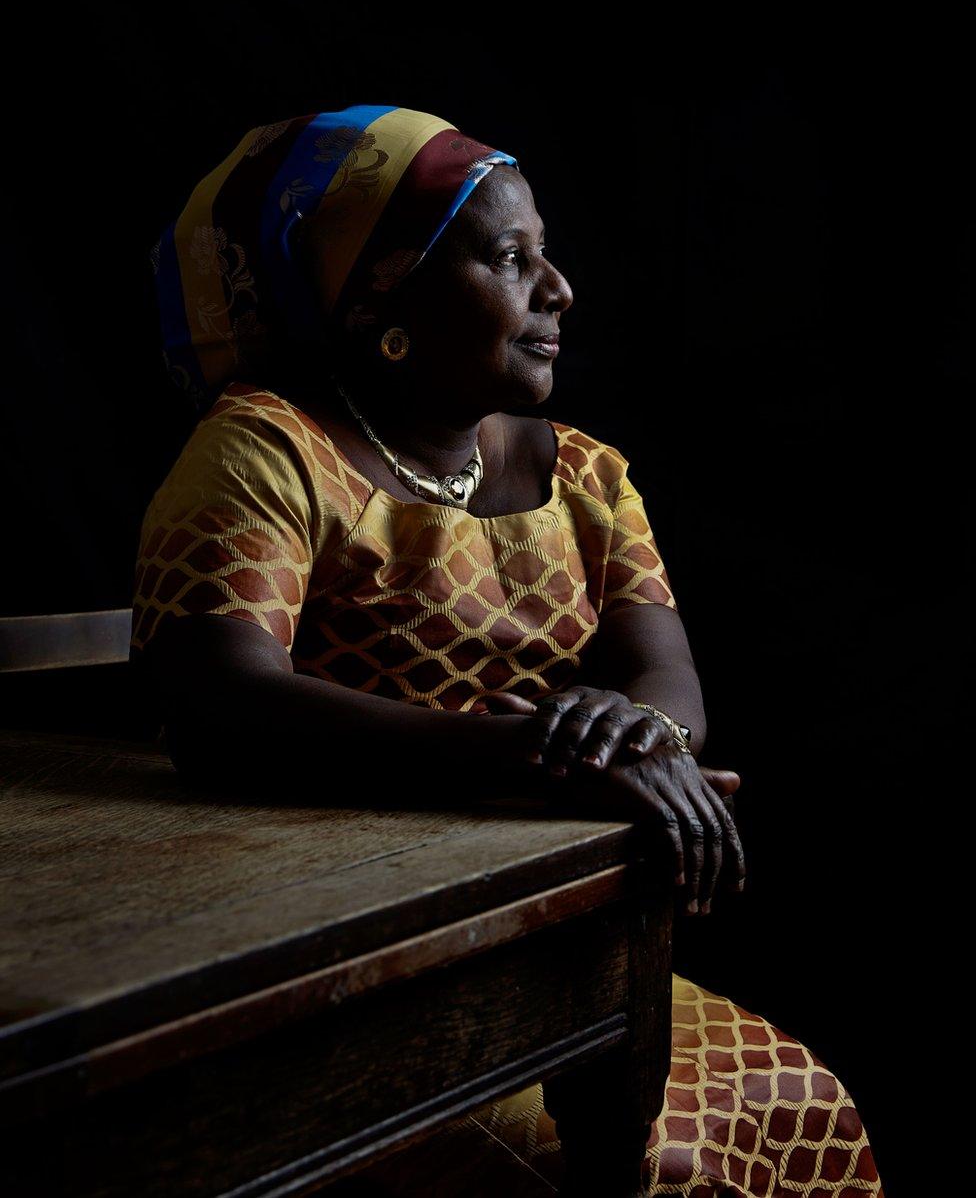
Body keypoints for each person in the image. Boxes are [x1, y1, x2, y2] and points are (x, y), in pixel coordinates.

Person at [130, 105, 885, 1196]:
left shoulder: (581, 473)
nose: (558, 290)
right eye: (507, 258)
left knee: (795, 1103)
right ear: (384, 299)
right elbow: (217, 698)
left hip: (562, 957)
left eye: (547, 255)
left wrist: (644, 733)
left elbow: (663, 676)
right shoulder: (266, 450)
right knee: (606, 1170)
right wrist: (537, 753)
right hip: (339, 974)